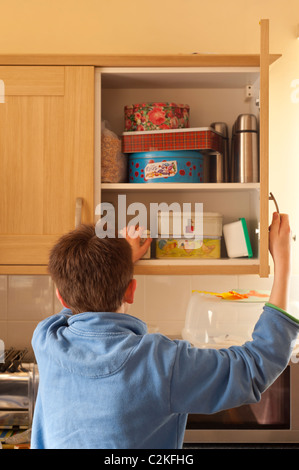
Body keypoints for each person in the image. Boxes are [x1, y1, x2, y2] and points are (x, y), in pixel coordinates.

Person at [31, 213, 299, 449]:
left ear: (60, 298)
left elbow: (76, 302)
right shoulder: (161, 362)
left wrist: (120, 260)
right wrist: (284, 264)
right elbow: (254, 367)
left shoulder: (45, 339)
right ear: (132, 290)